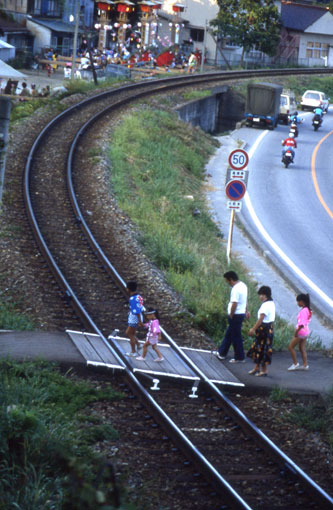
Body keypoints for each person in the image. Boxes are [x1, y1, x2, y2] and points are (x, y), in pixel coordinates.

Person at [214, 271, 248, 363]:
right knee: (229, 335)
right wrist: (246, 310)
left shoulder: (235, 289)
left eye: (227, 281)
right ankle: (222, 353)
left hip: (235, 315)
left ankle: (239, 357)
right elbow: (245, 300)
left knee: (236, 337)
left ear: (231, 279)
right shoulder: (243, 285)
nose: (228, 283)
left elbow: (234, 303)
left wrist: (231, 315)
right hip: (241, 314)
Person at [247, 286, 275, 377]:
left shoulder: (265, 305)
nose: (260, 296)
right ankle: (256, 367)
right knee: (259, 348)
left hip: (264, 329)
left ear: (266, 295)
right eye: (260, 294)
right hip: (269, 328)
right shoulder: (271, 303)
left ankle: (264, 370)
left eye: (262, 295)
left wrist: (253, 329)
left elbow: (261, 319)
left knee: (262, 349)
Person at [287, 293, 312, 371]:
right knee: (302, 348)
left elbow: (301, 324)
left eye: (298, 301)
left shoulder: (303, 311)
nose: (297, 303)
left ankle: (295, 364)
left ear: (302, 301)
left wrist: (296, 332)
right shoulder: (308, 309)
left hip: (301, 332)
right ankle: (305, 365)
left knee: (290, 347)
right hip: (306, 332)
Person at [125, 280, 144, 356]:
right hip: (136, 317)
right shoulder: (139, 296)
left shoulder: (132, 299)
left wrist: (139, 321)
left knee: (130, 334)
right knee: (130, 333)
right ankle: (139, 345)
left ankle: (133, 351)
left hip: (135, 318)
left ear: (128, 289)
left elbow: (137, 311)